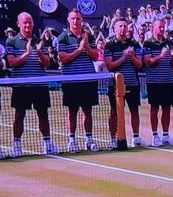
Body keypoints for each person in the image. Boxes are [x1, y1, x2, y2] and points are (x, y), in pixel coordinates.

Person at [5, 12, 57, 156]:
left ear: (33, 24)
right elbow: (12, 62)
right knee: (19, 115)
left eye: (30, 22)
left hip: (39, 85)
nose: (27, 25)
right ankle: (16, 145)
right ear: (18, 24)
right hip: (21, 85)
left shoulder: (40, 41)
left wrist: (39, 52)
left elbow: (46, 63)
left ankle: (47, 143)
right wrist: (27, 54)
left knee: (43, 114)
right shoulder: (12, 42)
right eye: (24, 22)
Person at [57, 10, 101, 152]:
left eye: (78, 19)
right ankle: (72, 140)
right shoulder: (63, 37)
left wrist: (87, 47)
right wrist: (79, 49)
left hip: (88, 79)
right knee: (72, 111)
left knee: (88, 111)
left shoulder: (88, 36)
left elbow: (95, 56)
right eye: (73, 18)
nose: (75, 21)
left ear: (82, 20)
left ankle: (89, 140)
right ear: (69, 20)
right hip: (71, 80)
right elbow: (62, 58)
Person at [105, 18, 145, 148]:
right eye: (120, 26)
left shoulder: (134, 44)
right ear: (115, 28)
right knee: (114, 112)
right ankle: (113, 138)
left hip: (133, 83)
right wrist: (124, 56)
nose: (123, 28)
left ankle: (136, 137)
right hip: (116, 85)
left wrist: (132, 56)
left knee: (134, 110)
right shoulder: (110, 45)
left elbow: (139, 65)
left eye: (124, 26)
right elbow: (110, 66)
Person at [143, 19, 173, 146]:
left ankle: (166, 135)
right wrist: (161, 56)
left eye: (163, 27)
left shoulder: (169, 43)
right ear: (153, 28)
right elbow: (148, 62)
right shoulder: (148, 43)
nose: (162, 29)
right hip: (154, 81)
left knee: (167, 108)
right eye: (159, 27)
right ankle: (155, 135)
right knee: (154, 108)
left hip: (168, 80)